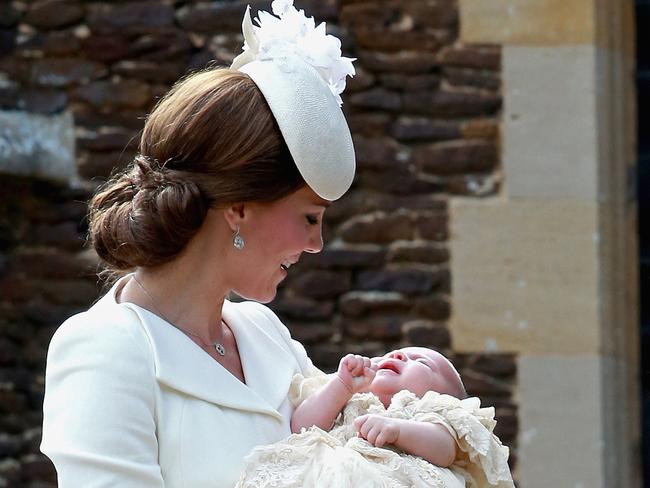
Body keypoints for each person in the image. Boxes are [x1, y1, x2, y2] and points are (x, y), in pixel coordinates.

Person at [40, 2, 356, 487]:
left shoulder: (264, 333)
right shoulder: (107, 349)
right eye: (309, 217)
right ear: (241, 207)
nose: (315, 244)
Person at [236, 347, 515, 487]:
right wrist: (341, 387)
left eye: (421, 362)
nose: (399, 355)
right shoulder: (350, 400)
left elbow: (444, 450)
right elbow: (300, 426)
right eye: (397, 352)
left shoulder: (427, 412)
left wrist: (398, 430)